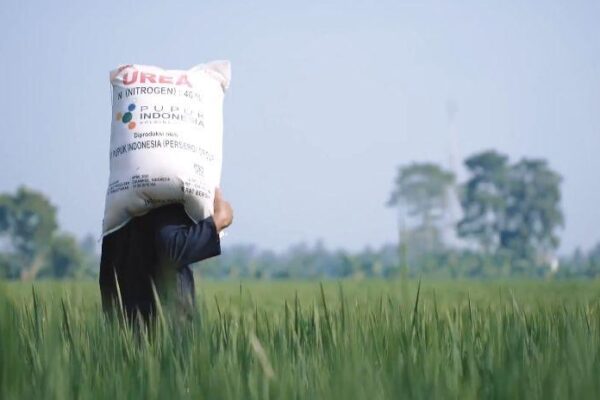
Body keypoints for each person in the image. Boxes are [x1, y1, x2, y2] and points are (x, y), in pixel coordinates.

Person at [99, 188, 233, 323]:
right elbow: (171, 249)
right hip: (164, 325)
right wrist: (217, 221)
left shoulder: (118, 211)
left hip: (120, 323)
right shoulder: (166, 203)